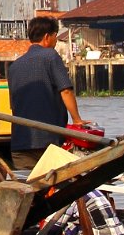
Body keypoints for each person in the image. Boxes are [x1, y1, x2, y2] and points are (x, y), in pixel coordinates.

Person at [6, 15, 86, 165]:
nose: (56, 41)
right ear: (47, 37)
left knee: (29, 180)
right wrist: (77, 120)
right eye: (55, 36)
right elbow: (66, 91)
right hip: (48, 141)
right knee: (57, 178)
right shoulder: (50, 56)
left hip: (20, 142)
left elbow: (13, 105)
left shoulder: (14, 66)